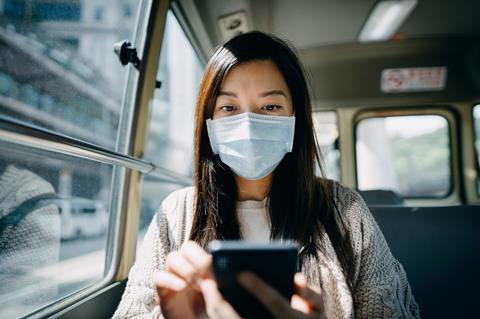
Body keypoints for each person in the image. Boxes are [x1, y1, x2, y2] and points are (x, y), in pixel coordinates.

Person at [113, 31, 420, 319]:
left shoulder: (345, 210)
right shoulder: (175, 213)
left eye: (270, 106)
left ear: (295, 118)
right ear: (208, 122)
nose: (248, 123)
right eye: (229, 108)